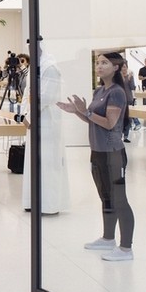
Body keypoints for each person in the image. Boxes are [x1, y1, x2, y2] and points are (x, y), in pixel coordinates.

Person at [56, 51, 135, 261]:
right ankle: (108, 239)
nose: (99, 66)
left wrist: (87, 112)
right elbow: (93, 120)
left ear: (116, 67)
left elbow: (109, 124)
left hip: (113, 153)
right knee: (105, 197)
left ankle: (126, 248)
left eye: (104, 63)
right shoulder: (99, 90)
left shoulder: (117, 92)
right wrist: (77, 111)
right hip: (97, 152)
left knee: (120, 200)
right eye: (97, 63)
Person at [22, 46, 70, 214]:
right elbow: (27, 94)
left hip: (47, 122)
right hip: (34, 120)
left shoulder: (50, 67)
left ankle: (49, 204)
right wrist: (24, 115)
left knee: (48, 162)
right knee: (33, 162)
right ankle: (32, 201)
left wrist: (29, 116)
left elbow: (47, 97)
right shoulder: (32, 67)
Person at [121, 62, 137, 142]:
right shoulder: (117, 77)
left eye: (125, 67)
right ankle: (119, 135)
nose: (124, 69)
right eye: (122, 67)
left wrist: (130, 79)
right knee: (120, 119)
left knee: (128, 118)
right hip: (119, 100)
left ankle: (126, 136)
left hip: (128, 99)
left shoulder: (130, 76)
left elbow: (132, 87)